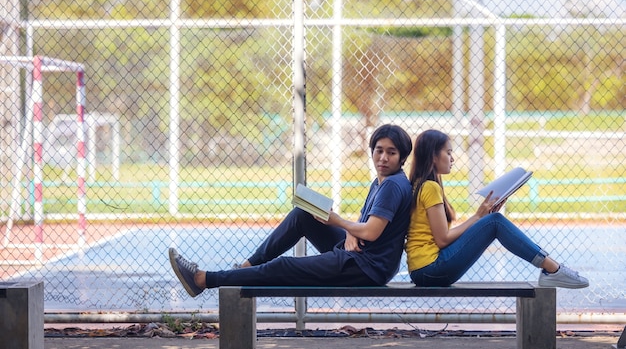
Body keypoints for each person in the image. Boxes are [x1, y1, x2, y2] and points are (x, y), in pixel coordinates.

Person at [169, 123, 414, 297]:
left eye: (391, 153)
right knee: (304, 214)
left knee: (283, 266)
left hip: (366, 267)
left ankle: (203, 279)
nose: (383, 157)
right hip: (361, 255)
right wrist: (350, 231)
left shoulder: (392, 185)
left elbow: (371, 232)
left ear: (402, 157)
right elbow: (367, 225)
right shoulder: (383, 180)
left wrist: (338, 222)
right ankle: (247, 267)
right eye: (379, 150)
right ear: (372, 150)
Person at [405, 129, 589, 289]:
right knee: (495, 222)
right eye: (448, 152)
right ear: (433, 156)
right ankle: (552, 269)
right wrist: (479, 217)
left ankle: (550, 269)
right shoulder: (429, 187)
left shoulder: (422, 185)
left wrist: (482, 220)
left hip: (424, 269)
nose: (452, 158)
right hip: (430, 269)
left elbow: (439, 239)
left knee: (492, 221)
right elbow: (443, 239)